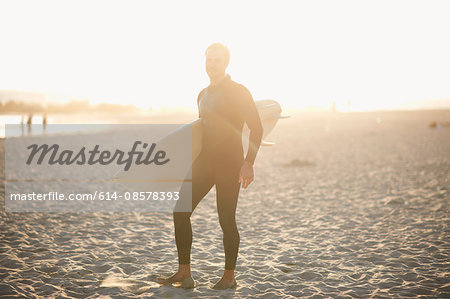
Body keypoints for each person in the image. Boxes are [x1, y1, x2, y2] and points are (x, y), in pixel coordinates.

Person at [157, 43, 263, 290]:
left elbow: (256, 128)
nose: (211, 64)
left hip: (230, 163)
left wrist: (249, 162)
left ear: (226, 63)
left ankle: (229, 276)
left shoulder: (238, 91)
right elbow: (201, 132)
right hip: (204, 161)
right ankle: (184, 272)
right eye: (208, 59)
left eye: (216, 60)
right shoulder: (202, 94)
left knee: (226, 219)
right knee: (180, 211)